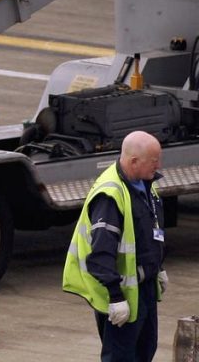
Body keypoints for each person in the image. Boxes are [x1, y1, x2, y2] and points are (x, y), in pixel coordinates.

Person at [62, 130, 166, 362]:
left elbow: (150, 231)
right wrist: (116, 297)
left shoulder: (146, 185)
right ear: (133, 161)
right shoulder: (110, 196)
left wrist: (158, 267)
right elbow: (100, 254)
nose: (158, 165)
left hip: (144, 288)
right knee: (120, 357)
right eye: (154, 161)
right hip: (123, 295)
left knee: (145, 350)